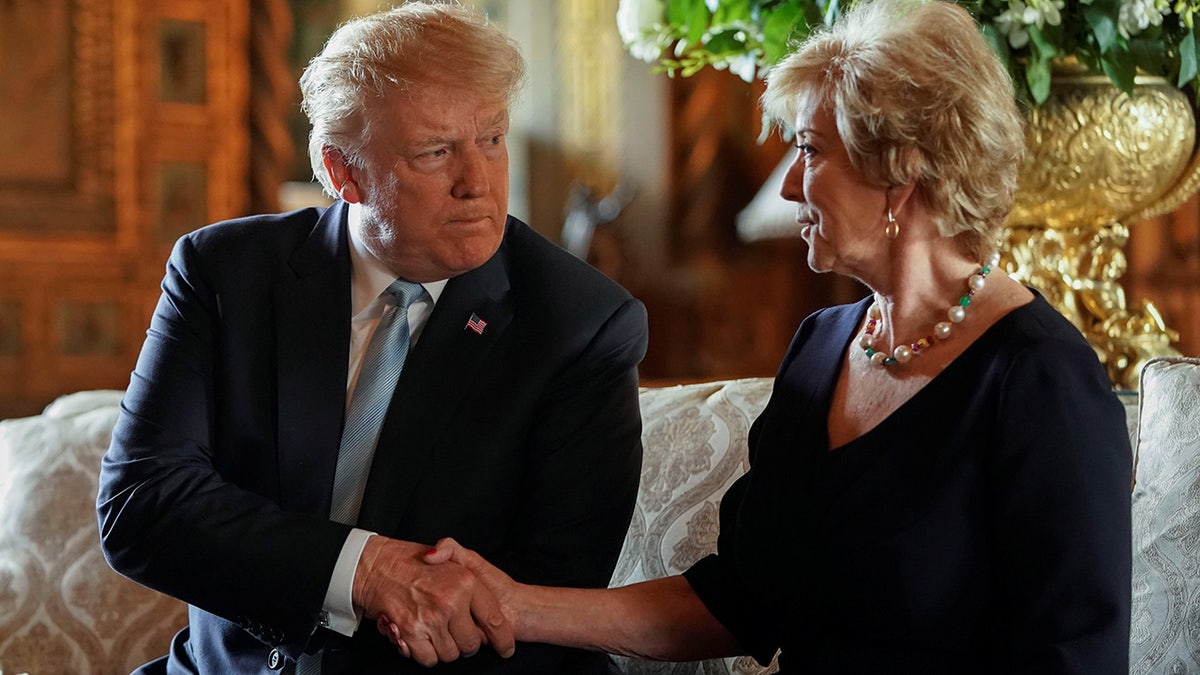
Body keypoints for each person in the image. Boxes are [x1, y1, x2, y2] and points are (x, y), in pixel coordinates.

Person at [407, 0, 1134, 672]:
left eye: (810, 152)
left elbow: (1075, 659)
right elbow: (735, 602)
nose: (788, 187)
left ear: (901, 172)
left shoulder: (1041, 378)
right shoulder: (821, 347)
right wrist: (509, 601)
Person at [96, 3, 647, 674]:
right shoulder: (225, 274)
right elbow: (141, 504)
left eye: (493, 139)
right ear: (341, 171)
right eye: (436, 151)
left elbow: (548, 605)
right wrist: (364, 569)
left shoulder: (579, 323)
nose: (478, 182)